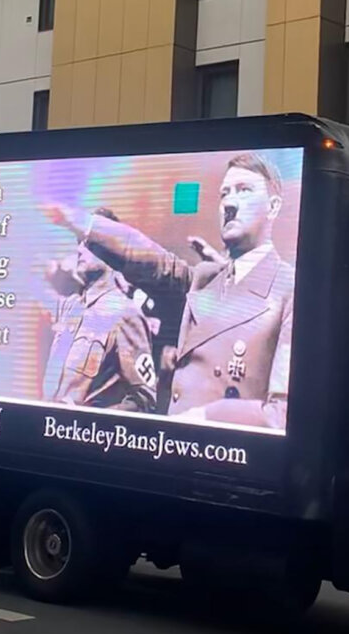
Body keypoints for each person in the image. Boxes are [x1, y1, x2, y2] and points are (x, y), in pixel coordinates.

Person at [44, 153, 294, 430]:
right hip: (175, 445)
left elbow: (285, 414)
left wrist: (208, 415)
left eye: (244, 190)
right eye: (225, 193)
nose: (230, 203)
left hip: (226, 450)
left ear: (273, 206)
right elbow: (152, 260)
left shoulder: (290, 291)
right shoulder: (205, 279)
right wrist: (81, 223)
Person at [42, 209, 158, 413]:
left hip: (82, 431)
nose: (79, 250)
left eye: (87, 243)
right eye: (78, 242)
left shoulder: (125, 313)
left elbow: (144, 400)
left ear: (112, 249)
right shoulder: (71, 307)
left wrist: (92, 419)